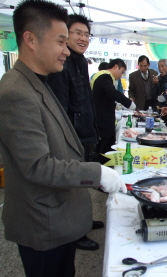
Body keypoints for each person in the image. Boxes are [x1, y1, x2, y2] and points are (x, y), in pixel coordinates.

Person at [0, 1, 127, 277]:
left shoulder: (39, 81)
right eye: (60, 41)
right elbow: (38, 166)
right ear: (30, 39)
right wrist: (96, 173)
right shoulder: (15, 92)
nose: (66, 50)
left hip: (58, 217)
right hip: (42, 222)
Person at [47, 13, 103, 251]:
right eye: (77, 33)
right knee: (71, 189)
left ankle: (84, 222)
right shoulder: (62, 65)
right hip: (71, 136)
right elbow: (60, 107)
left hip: (84, 133)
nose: (83, 38)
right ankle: (75, 233)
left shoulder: (81, 62)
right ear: (65, 35)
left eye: (86, 34)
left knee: (80, 188)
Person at [91, 58, 135, 155]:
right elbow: (113, 93)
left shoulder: (102, 76)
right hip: (103, 120)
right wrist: (129, 104)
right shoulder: (105, 77)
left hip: (102, 118)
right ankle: (103, 168)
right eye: (121, 72)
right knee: (104, 149)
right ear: (116, 67)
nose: (120, 76)